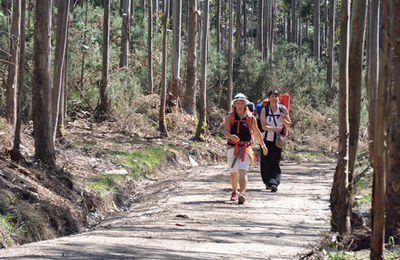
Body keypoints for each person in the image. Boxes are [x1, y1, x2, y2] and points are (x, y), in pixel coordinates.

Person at [223, 93, 268, 204]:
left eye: (242, 103)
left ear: (245, 104)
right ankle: (234, 191)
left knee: (243, 171)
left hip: (245, 148)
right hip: (232, 147)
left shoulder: (250, 118)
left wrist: (263, 145)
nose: (240, 105)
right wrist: (230, 136)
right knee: (234, 172)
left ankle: (242, 193)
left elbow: (257, 133)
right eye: (238, 103)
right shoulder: (230, 117)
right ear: (234, 104)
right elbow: (225, 131)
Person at [259, 90, 291, 192]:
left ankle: (274, 182)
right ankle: (267, 182)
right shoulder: (265, 110)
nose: (274, 98)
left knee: (276, 160)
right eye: (272, 96)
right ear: (268, 98)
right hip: (266, 139)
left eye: (276, 96)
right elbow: (263, 126)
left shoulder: (283, 109)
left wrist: (283, 119)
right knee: (265, 161)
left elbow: (289, 124)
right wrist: (274, 128)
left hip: (278, 139)